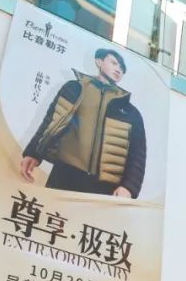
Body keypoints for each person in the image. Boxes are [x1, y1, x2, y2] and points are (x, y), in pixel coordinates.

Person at [21, 48, 146, 198]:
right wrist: (33, 153)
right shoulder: (73, 89)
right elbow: (50, 121)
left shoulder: (129, 111)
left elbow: (138, 154)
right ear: (99, 62)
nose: (119, 69)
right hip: (64, 175)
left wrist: (129, 187)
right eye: (114, 63)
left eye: (122, 68)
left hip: (104, 187)